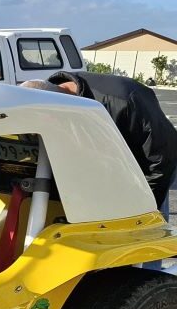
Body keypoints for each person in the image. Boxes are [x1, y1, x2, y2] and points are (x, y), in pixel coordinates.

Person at [21, 72, 177, 207]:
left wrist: (146, 206)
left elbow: (162, 158)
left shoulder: (125, 101)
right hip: (105, 177)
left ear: (56, 107)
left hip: (146, 171)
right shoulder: (53, 99)